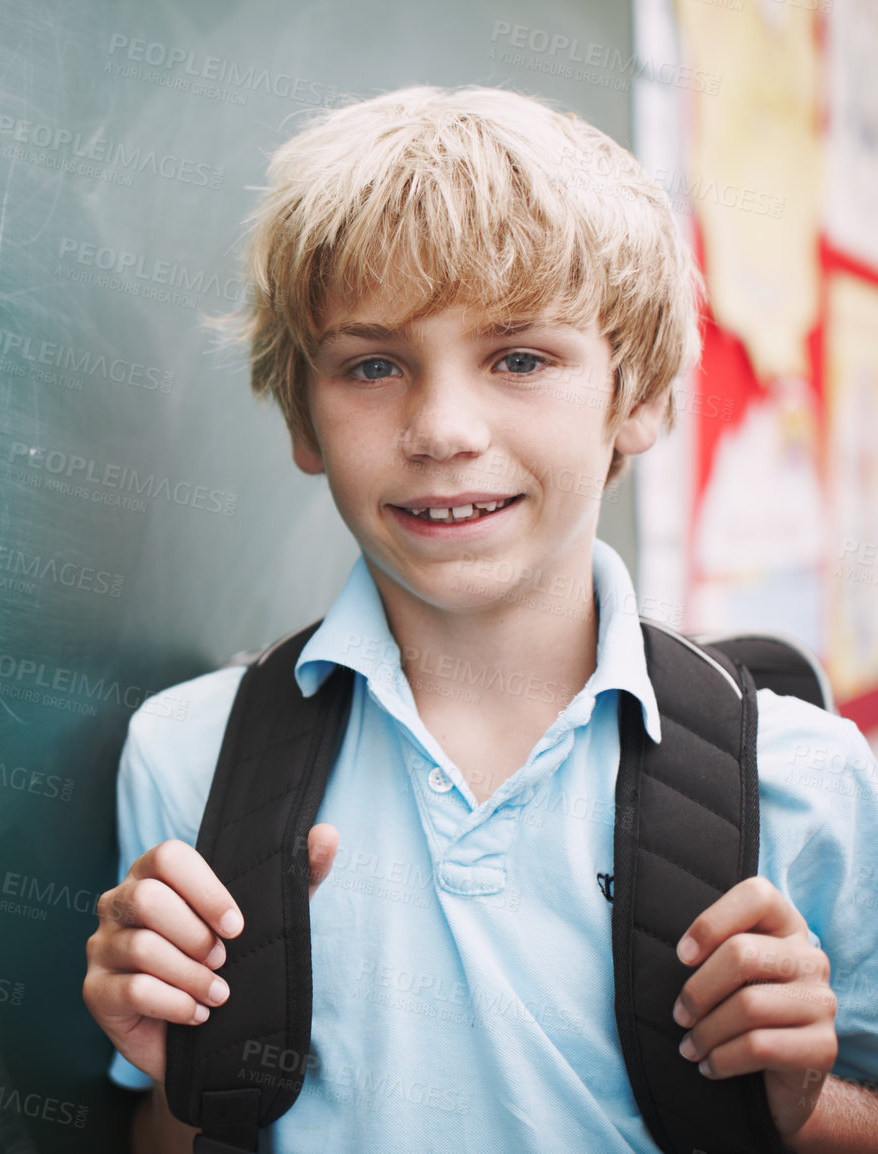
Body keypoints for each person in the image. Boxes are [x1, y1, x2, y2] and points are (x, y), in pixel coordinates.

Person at [80, 84, 878, 1153]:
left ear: (635, 396)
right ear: (303, 416)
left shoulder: (809, 776)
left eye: (519, 357)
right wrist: (183, 1083)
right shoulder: (192, 758)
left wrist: (797, 1105)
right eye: (372, 364)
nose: (442, 427)